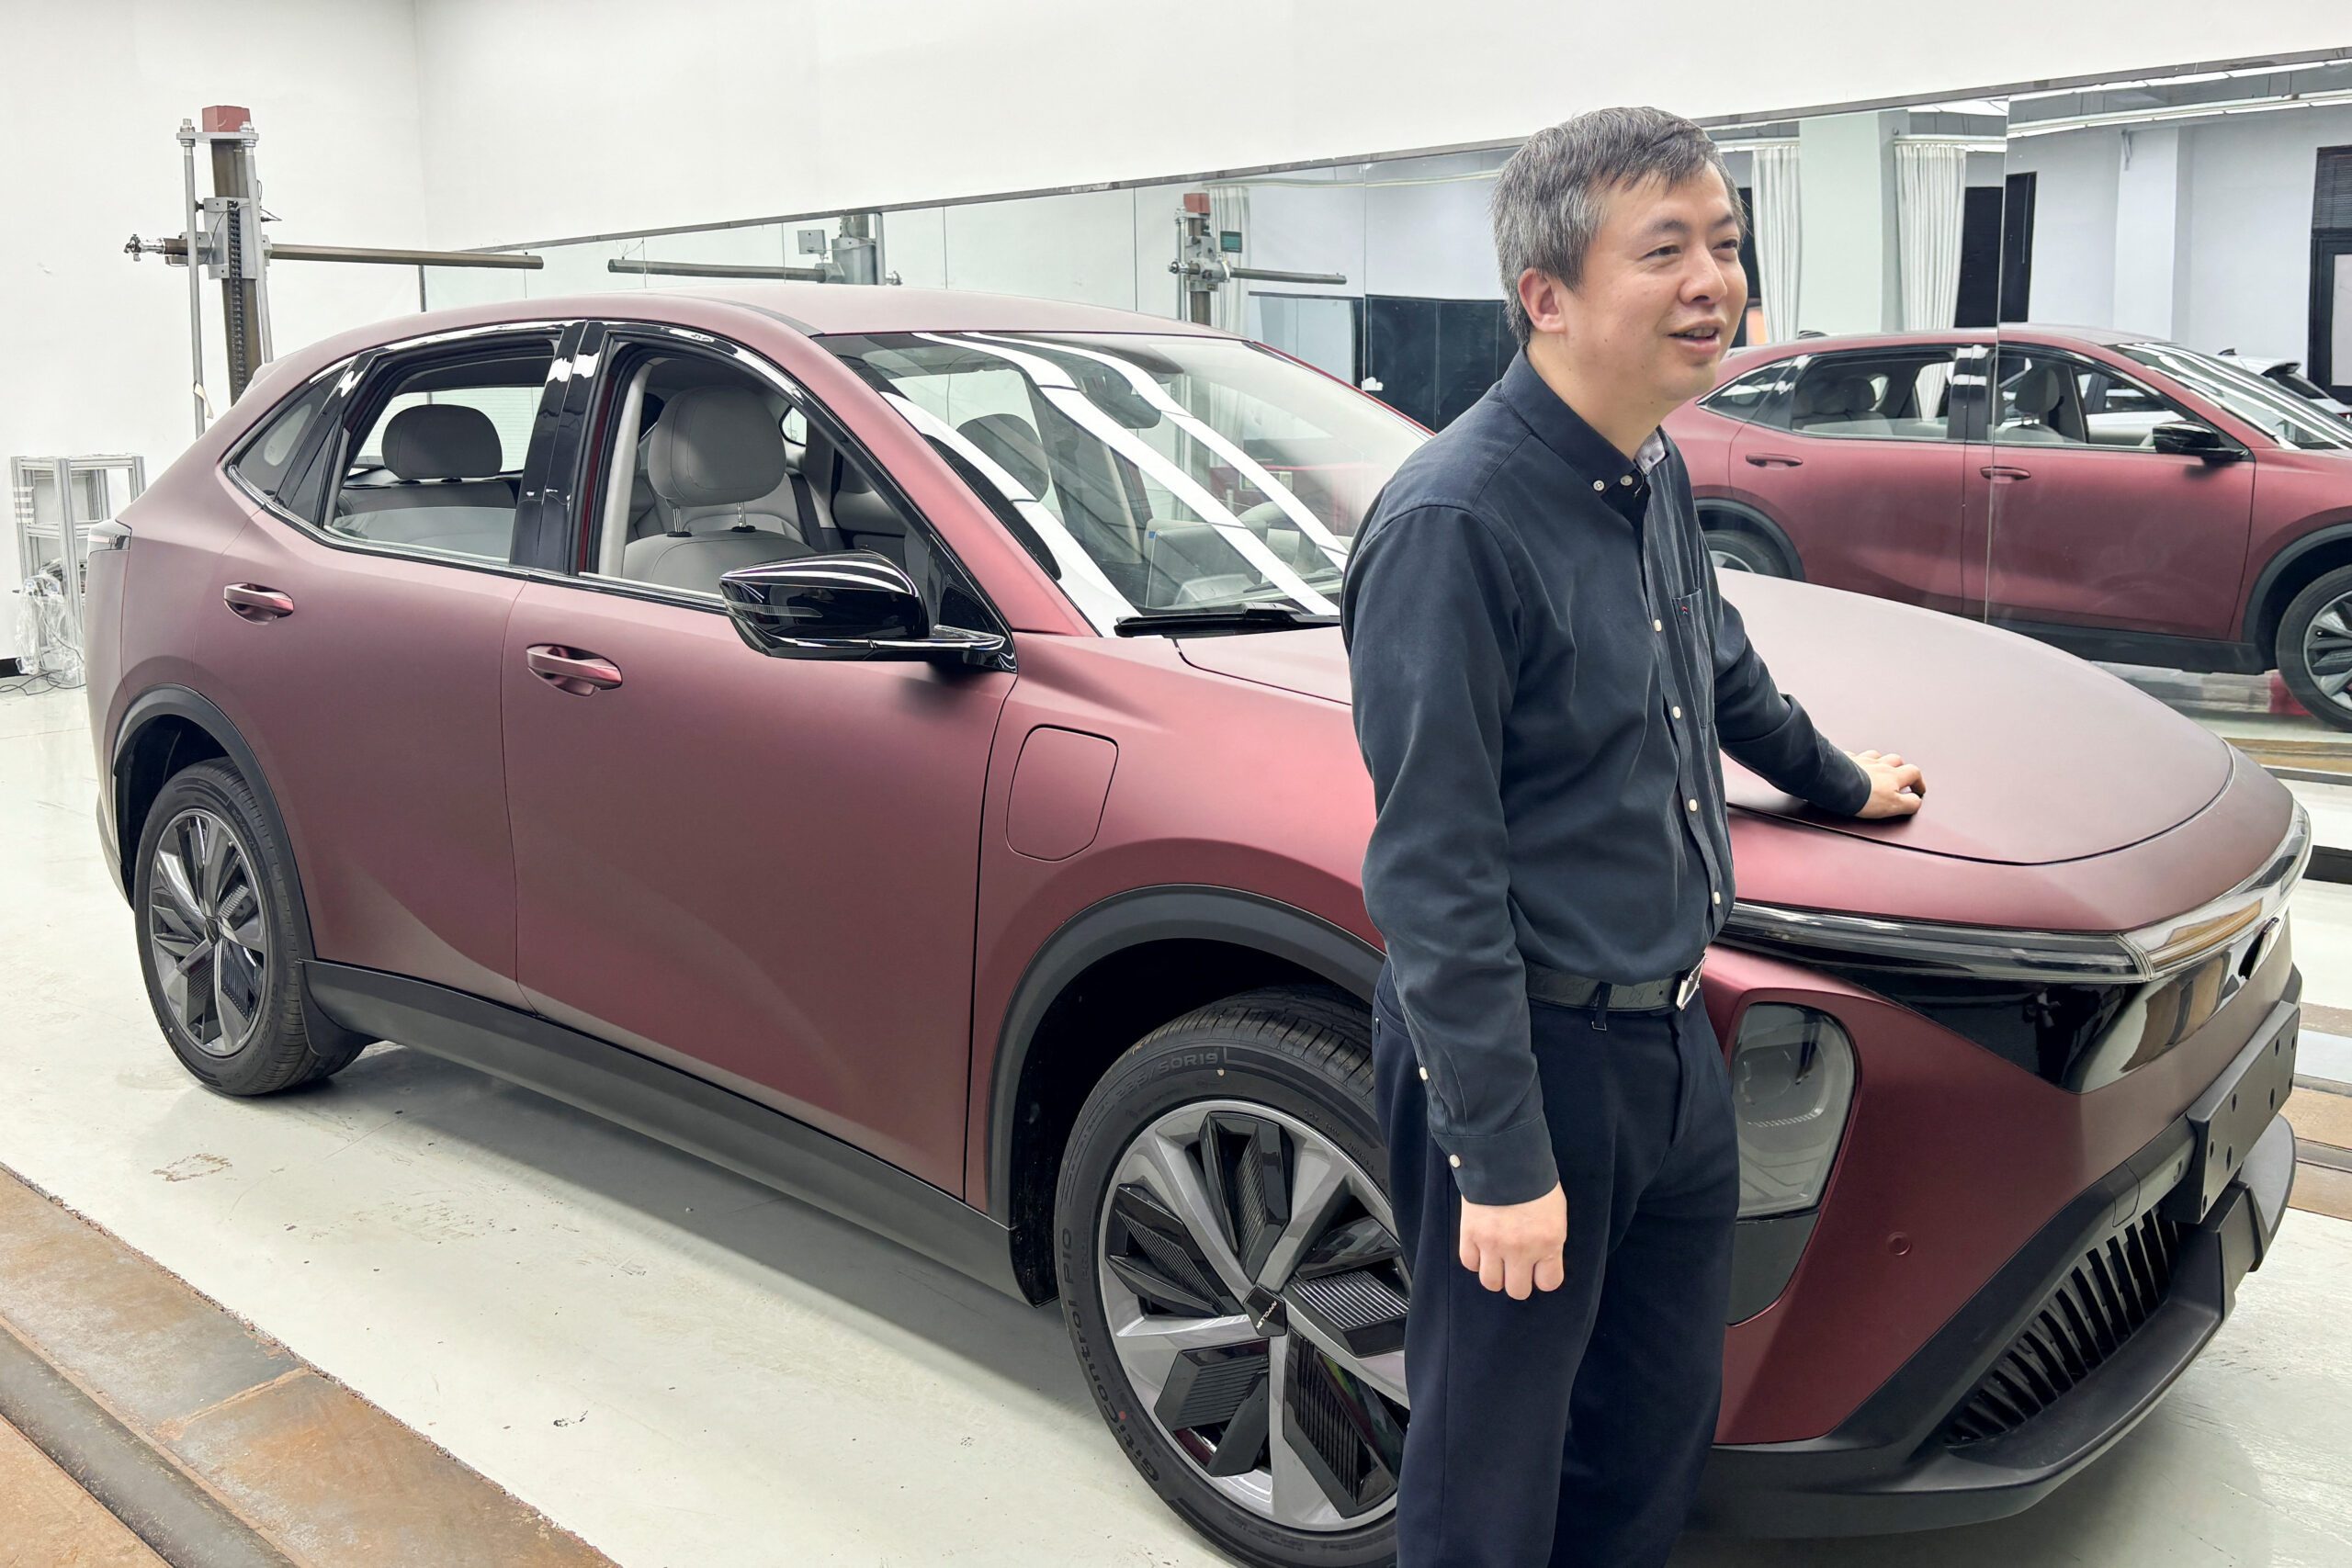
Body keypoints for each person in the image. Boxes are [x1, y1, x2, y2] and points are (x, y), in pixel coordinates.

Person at [1340, 106, 1928, 1568]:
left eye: (1724, 243)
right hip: (1530, 1055)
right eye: (1663, 251)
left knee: (1650, 1432)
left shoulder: (1647, 467)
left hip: (1669, 1040)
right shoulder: (1454, 525)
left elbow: (1711, 662)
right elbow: (1434, 872)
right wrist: (1499, 1159)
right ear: (1545, 295)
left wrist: (1835, 780)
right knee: (1490, 1464)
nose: (1713, 281)